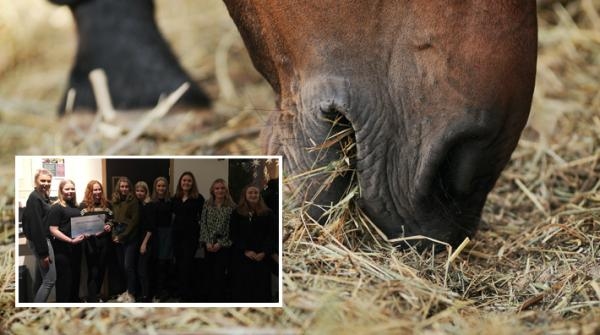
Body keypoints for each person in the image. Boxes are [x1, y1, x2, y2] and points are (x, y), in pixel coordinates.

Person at [229, 184, 275, 303]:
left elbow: (272, 234)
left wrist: (264, 252)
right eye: (250, 193)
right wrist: (245, 250)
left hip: (262, 257)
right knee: (242, 288)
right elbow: (233, 234)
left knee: (260, 289)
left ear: (259, 195)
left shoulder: (268, 213)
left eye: (256, 193)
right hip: (242, 256)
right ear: (245, 195)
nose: (253, 195)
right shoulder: (237, 213)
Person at [47, 179, 85, 302]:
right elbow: (53, 230)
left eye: (72, 189)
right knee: (65, 282)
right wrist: (70, 241)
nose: (70, 191)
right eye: (67, 189)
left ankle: (74, 307)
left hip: (76, 248)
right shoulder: (56, 207)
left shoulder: (76, 207)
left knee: (75, 279)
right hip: (63, 250)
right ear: (61, 191)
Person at [198, 178, 235, 302]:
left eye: (222, 188)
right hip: (208, 245)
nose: (220, 190)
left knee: (219, 275)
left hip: (223, 246)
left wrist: (221, 243)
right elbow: (203, 223)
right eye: (217, 188)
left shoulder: (232, 207)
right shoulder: (207, 204)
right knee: (208, 274)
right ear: (213, 190)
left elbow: (233, 228)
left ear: (226, 190)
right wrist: (207, 242)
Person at [22, 168, 55, 302]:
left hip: (40, 241)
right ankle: (36, 310)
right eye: (42, 180)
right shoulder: (34, 198)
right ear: (36, 181)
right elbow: (36, 227)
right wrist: (43, 253)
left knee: (41, 278)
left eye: (48, 181)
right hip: (42, 242)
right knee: (49, 280)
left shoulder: (43, 196)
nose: (45, 183)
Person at [171, 171, 204, 302]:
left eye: (189, 181)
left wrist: (202, 238)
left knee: (187, 264)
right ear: (180, 182)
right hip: (177, 235)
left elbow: (202, 218)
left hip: (191, 236)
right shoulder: (175, 198)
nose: (186, 183)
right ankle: (181, 291)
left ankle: (187, 295)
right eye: (184, 180)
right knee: (179, 264)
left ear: (192, 183)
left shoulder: (198, 198)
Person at [79, 180, 113, 302]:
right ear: (90, 191)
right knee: (93, 271)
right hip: (90, 243)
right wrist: (85, 232)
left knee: (102, 269)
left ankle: (97, 295)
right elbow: (79, 224)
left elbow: (111, 219)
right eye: (95, 189)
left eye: (99, 189)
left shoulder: (107, 204)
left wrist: (109, 225)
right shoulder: (83, 206)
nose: (97, 192)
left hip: (104, 242)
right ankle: (92, 298)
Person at [111, 177, 140, 303]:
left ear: (130, 188)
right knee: (122, 267)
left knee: (129, 266)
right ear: (119, 187)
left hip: (130, 238)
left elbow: (134, 222)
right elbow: (112, 219)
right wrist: (114, 235)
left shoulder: (133, 201)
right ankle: (126, 291)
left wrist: (122, 236)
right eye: (122, 186)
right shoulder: (115, 200)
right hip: (117, 238)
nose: (124, 189)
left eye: (126, 186)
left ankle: (132, 294)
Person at [150, 176, 173, 301]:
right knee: (155, 264)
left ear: (166, 187)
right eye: (159, 186)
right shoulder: (151, 202)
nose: (161, 188)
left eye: (163, 186)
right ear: (155, 187)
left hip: (167, 234)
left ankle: (163, 292)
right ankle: (156, 291)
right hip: (154, 235)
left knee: (163, 264)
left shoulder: (171, 201)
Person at [134, 181, 154, 302]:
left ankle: (147, 296)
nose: (139, 193)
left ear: (146, 192)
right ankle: (141, 293)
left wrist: (144, 243)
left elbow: (151, 228)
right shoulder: (137, 205)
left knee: (143, 270)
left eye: (142, 191)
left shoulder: (149, 205)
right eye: (137, 190)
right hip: (137, 240)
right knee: (138, 269)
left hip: (146, 241)